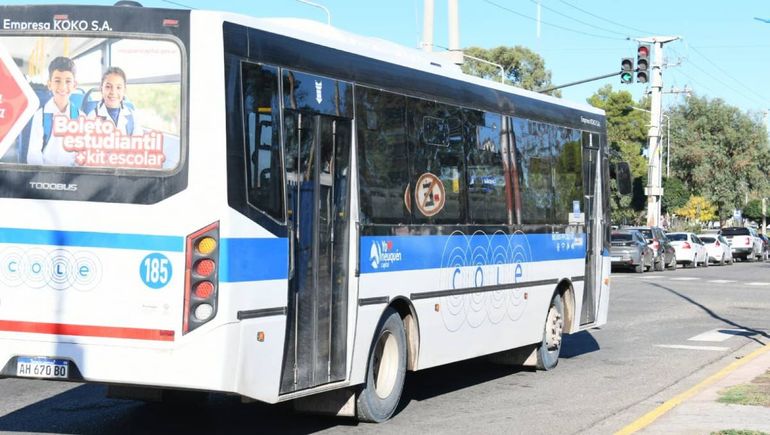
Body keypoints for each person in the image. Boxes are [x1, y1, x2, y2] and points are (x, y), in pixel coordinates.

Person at [26, 56, 81, 166]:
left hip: (72, 175)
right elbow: (34, 154)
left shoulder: (80, 117)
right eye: (57, 81)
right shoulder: (40, 116)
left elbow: (82, 153)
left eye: (68, 81)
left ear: (75, 85)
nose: (62, 86)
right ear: (49, 84)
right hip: (45, 174)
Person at [87, 66, 141, 136]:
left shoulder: (133, 116)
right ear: (101, 89)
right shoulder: (92, 117)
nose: (113, 92)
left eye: (118, 87)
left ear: (124, 90)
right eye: (108, 87)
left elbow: (138, 142)